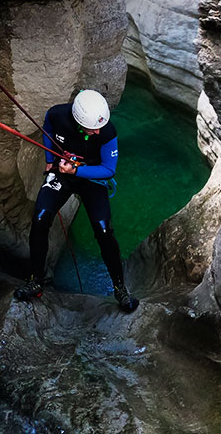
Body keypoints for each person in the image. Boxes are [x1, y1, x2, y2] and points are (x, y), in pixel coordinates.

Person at [13, 89, 139, 312]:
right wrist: (50, 160)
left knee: (103, 231)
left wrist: (76, 171)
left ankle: (120, 288)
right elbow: (48, 128)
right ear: (80, 121)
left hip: (91, 177)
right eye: (93, 127)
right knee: (41, 218)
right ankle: (36, 280)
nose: (98, 130)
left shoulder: (107, 131)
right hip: (64, 173)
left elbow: (108, 170)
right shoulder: (58, 115)